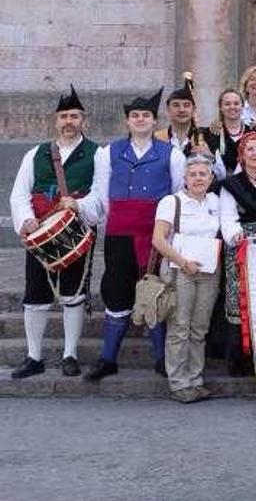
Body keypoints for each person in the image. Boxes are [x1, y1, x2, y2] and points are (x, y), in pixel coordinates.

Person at [84, 89, 186, 382]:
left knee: (154, 291)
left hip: (155, 234)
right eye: (135, 116)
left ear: (155, 122)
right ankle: (107, 358)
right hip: (119, 233)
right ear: (127, 122)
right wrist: (85, 210)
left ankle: (161, 359)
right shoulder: (108, 152)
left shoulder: (172, 154)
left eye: (146, 116)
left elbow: (177, 195)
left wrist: (170, 234)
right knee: (117, 292)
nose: (140, 120)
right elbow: (101, 193)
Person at [9, 86, 102, 379]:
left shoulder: (97, 154)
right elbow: (19, 195)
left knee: (73, 295)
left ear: (82, 119)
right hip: (41, 235)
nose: (69, 121)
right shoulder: (35, 154)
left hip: (75, 232)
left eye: (74, 116)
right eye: (64, 116)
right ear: (56, 120)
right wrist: (27, 221)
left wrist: (80, 204)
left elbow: (101, 195)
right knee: (35, 295)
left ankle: (70, 355)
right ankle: (34, 356)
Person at [151, 153, 221, 403]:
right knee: (180, 326)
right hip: (181, 270)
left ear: (211, 177)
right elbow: (158, 239)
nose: (198, 178)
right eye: (193, 174)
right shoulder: (172, 202)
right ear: (185, 178)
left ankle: (195, 379)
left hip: (209, 272)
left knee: (199, 328)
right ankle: (179, 382)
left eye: (203, 174)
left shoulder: (215, 201)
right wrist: (183, 262)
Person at [217, 132, 256, 376]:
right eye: (250, 149)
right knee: (238, 299)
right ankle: (238, 358)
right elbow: (227, 216)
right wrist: (235, 234)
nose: (255, 153)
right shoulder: (232, 184)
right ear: (242, 153)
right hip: (241, 245)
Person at [207, 89, 248, 178]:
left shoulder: (251, 133)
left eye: (236, 103)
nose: (232, 107)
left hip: (246, 187)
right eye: (227, 104)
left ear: (242, 106)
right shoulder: (211, 134)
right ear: (221, 107)